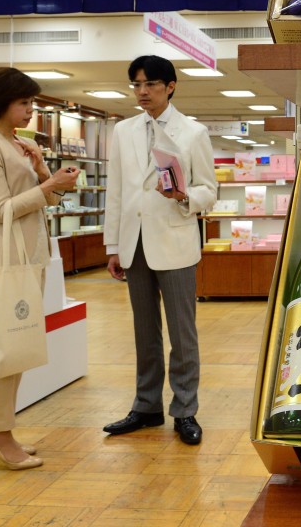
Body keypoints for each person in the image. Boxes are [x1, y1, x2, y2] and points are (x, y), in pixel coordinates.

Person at [0, 67, 80, 470]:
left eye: (32, 102)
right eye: (24, 103)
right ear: (1, 103)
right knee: (5, 350)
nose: (31, 110)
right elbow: (1, 211)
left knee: (15, 350)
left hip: (26, 259)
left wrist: (45, 172)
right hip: (1, 261)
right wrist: (46, 186)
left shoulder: (15, 145)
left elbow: (45, 202)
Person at [103, 54, 217, 445]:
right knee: (144, 332)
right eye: (136, 85)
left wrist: (185, 195)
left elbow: (209, 190)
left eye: (150, 84)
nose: (142, 92)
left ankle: (185, 410)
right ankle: (146, 406)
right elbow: (116, 191)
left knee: (182, 334)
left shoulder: (193, 132)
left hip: (175, 240)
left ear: (170, 86)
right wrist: (113, 245)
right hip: (134, 244)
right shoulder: (123, 131)